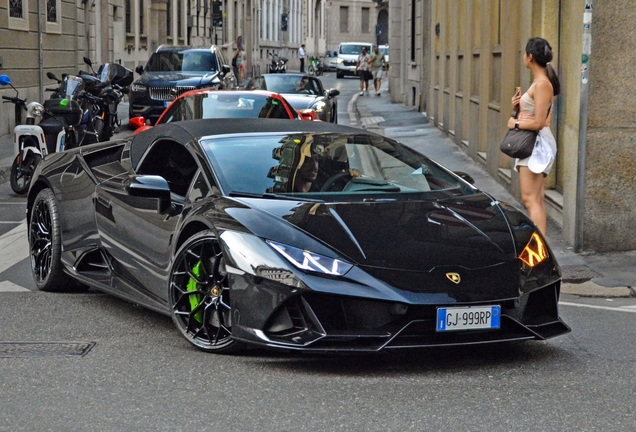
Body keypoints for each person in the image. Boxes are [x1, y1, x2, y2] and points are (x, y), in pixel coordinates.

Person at [507, 37, 560, 236]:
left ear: (530, 57)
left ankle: (539, 249)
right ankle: (542, 248)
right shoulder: (539, 83)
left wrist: (516, 123)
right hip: (535, 143)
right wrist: (517, 107)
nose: (523, 56)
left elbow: (539, 122)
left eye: (524, 53)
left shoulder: (542, 84)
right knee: (536, 199)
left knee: (530, 199)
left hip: (536, 144)